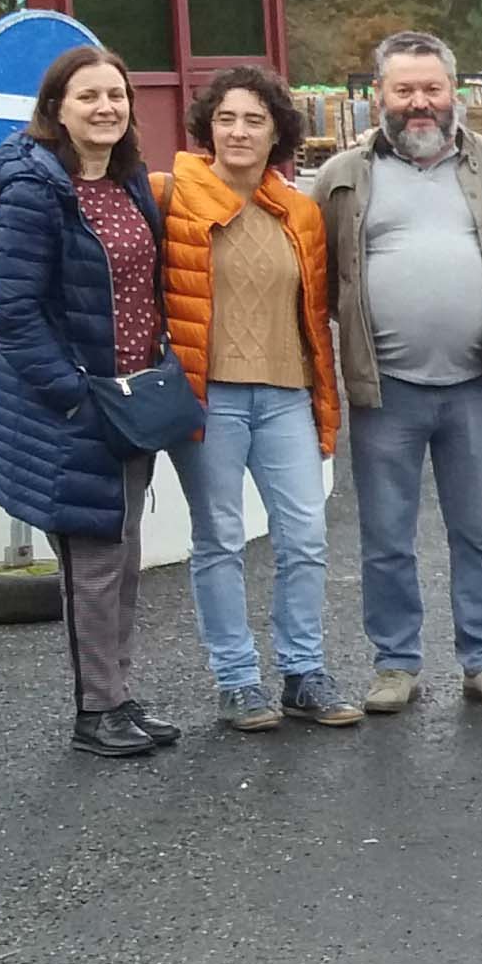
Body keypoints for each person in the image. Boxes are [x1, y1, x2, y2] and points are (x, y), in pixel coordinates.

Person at [310, 30, 482, 713]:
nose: (420, 103)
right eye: (404, 89)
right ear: (378, 94)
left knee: (481, 531)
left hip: (472, 385)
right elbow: (324, 273)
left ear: (455, 93)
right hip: (385, 389)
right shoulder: (345, 176)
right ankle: (395, 663)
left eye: (431, 88)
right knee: (385, 536)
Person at [0, 45, 183, 757]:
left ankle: (119, 696)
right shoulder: (35, 189)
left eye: (116, 96)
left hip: (130, 402)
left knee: (123, 559)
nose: (105, 108)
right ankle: (95, 713)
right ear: (55, 109)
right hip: (76, 408)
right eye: (88, 96)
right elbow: (15, 310)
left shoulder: (126, 182)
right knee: (94, 565)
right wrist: (73, 397)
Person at [153, 66, 360, 731]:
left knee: (303, 538)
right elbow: (104, 260)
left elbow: (318, 309)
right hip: (206, 396)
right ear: (208, 128)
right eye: (227, 119)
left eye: (254, 120)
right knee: (219, 539)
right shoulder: (169, 194)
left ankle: (303, 673)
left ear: (277, 132)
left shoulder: (299, 212)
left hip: (285, 396)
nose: (239, 131)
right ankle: (238, 681)